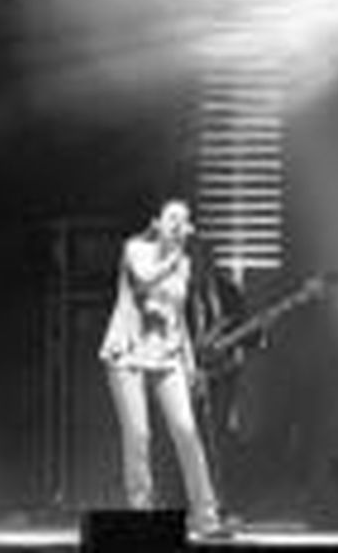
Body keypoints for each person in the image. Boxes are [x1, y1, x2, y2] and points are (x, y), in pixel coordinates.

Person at [99, 197, 223, 535]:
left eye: (185, 220)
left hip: (167, 358)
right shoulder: (135, 248)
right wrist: (174, 259)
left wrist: (191, 363)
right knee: (139, 435)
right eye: (173, 218)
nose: (179, 225)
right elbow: (143, 280)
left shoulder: (183, 264)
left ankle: (207, 516)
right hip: (127, 354)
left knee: (187, 432)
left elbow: (179, 318)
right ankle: (142, 516)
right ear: (157, 222)